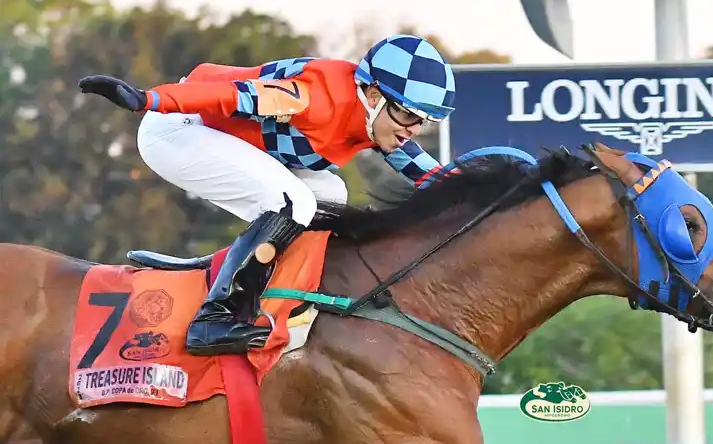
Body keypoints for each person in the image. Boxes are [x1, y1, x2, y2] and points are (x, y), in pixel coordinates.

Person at [77, 34, 457, 356]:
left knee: (330, 194)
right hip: (177, 129)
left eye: (425, 121)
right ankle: (214, 319)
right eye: (408, 115)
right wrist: (148, 99)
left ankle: (284, 301)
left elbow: (429, 174)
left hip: (218, 134)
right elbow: (229, 97)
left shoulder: (376, 118)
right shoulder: (312, 97)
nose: (415, 129)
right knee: (294, 202)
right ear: (373, 95)